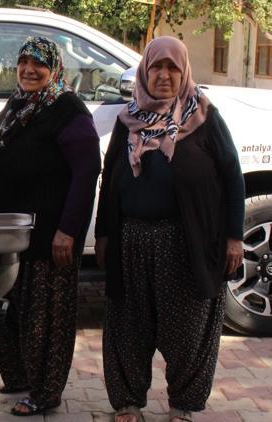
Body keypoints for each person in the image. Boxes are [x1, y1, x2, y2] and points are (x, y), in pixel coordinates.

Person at [95, 36, 244, 422]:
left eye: (172, 68)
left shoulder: (205, 118)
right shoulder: (128, 117)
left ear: (183, 73)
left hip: (187, 242)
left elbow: (232, 177)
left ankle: (183, 405)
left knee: (188, 330)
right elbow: (109, 177)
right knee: (128, 326)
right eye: (156, 67)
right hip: (132, 239)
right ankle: (127, 402)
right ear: (145, 71)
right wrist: (105, 234)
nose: (163, 75)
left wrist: (234, 237)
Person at [0, 36, 101, 416]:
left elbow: (86, 172)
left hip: (49, 236)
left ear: (55, 69)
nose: (30, 70)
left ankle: (45, 391)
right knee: (8, 309)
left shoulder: (67, 109)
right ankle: (18, 378)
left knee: (44, 318)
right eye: (24, 62)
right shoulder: (18, 105)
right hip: (9, 233)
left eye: (39, 64)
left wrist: (68, 230)